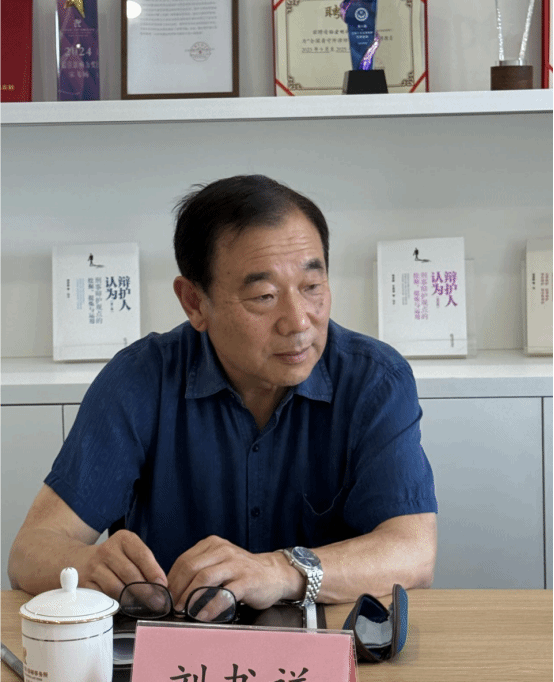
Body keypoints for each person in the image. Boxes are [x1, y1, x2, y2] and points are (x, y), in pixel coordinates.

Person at [9, 175, 437, 611]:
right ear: (195, 303)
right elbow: (30, 551)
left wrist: (281, 571)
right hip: (176, 638)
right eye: (264, 296)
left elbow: (414, 550)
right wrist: (89, 565)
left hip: (327, 641)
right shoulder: (140, 380)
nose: (298, 321)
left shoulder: (374, 380)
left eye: (312, 287)